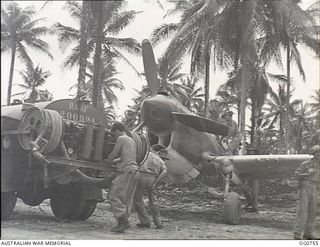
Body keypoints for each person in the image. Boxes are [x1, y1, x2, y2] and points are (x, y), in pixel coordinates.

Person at [105, 121, 140, 233]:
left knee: (113, 195)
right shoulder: (131, 140)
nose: (114, 136)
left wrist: (108, 161)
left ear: (118, 131)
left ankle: (123, 221)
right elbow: (126, 157)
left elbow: (114, 154)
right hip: (135, 170)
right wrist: (115, 161)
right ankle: (122, 224)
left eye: (114, 134)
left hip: (126, 170)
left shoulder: (121, 139)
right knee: (126, 199)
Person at [133, 146, 169, 229]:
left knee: (137, 199)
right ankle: (158, 222)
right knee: (153, 200)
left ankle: (145, 221)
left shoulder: (145, 155)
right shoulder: (159, 160)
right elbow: (165, 171)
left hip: (141, 176)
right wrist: (156, 183)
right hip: (152, 178)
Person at [293, 144, 320, 240]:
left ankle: (308, 233)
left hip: (316, 187)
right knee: (302, 211)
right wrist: (307, 173)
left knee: (313, 212)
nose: (319, 154)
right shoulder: (306, 164)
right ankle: (297, 234)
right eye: (317, 152)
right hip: (306, 185)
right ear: (313, 153)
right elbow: (296, 174)